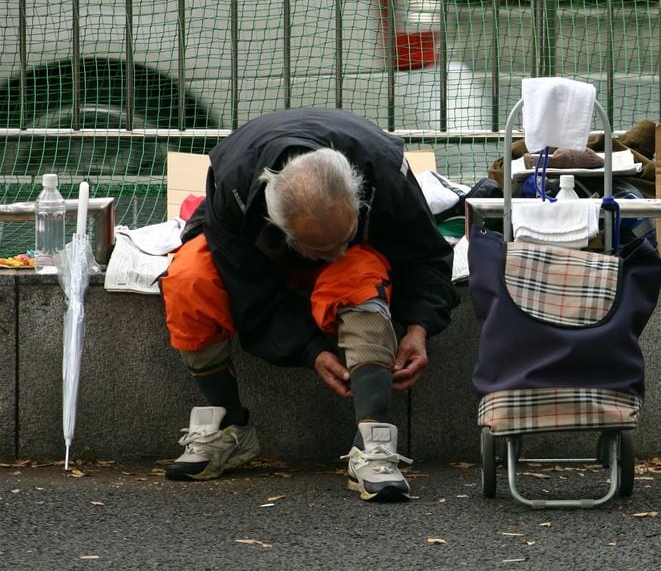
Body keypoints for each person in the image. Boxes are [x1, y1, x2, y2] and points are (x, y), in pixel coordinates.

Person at [158, 108, 458, 502]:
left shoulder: (384, 171)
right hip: (254, 242)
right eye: (322, 249)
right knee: (189, 280)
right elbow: (251, 294)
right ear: (275, 221)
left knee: (356, 277)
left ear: (356, 196)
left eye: (344, 237)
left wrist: (420, 327)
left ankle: (372, 443)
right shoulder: (234, 186)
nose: (335, 255)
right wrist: (310, 350)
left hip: (347, 237)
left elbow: (425, 254)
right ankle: (230, 424)